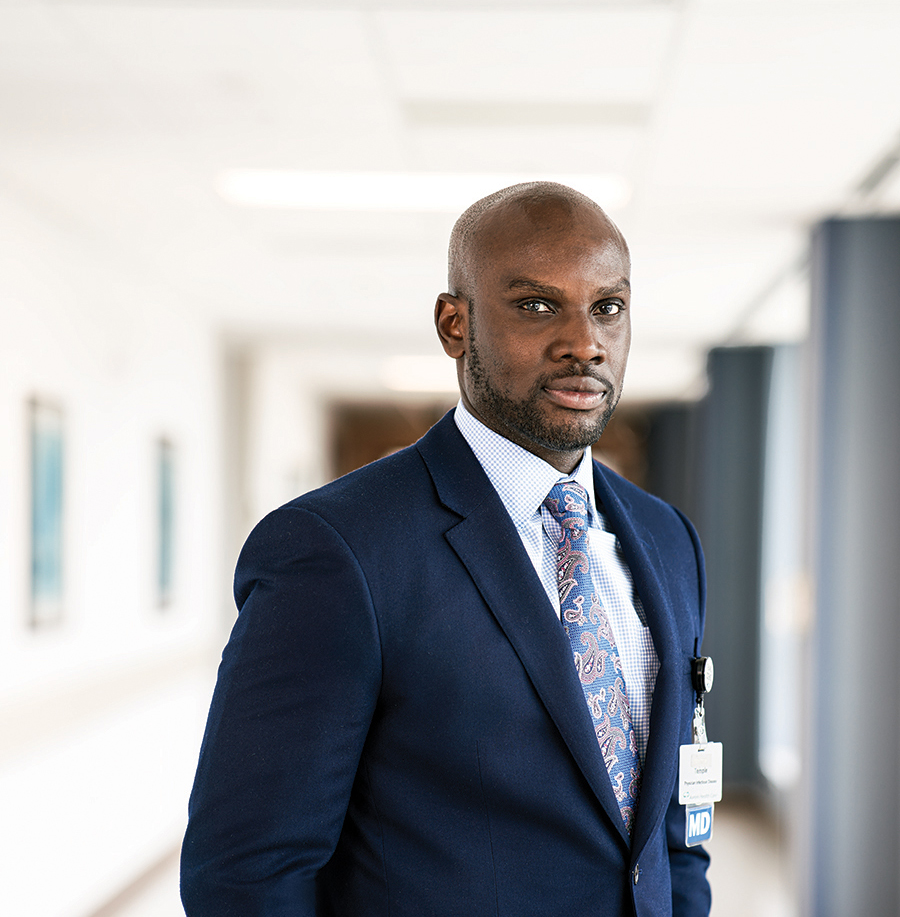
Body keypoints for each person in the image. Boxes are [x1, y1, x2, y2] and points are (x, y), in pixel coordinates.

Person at [181, 182, 711, 916]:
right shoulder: (337, 551)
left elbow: (676, 827)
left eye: (608, 307)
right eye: (535, 305)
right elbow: (245, 871)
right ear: (454, 324)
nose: (583, 343)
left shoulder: (667, 540)